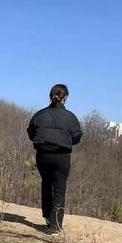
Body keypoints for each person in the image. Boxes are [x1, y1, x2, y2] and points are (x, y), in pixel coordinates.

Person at [27, 84, 82, 235]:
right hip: (62, 156)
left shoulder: (39, 115)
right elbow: (77, 136)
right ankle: (55, 226)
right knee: (59, 188)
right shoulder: (70, 117)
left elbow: (31, 132)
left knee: (46, 184)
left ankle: (47, 218)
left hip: (43, 155)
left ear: (50, 97)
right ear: (66, 98)